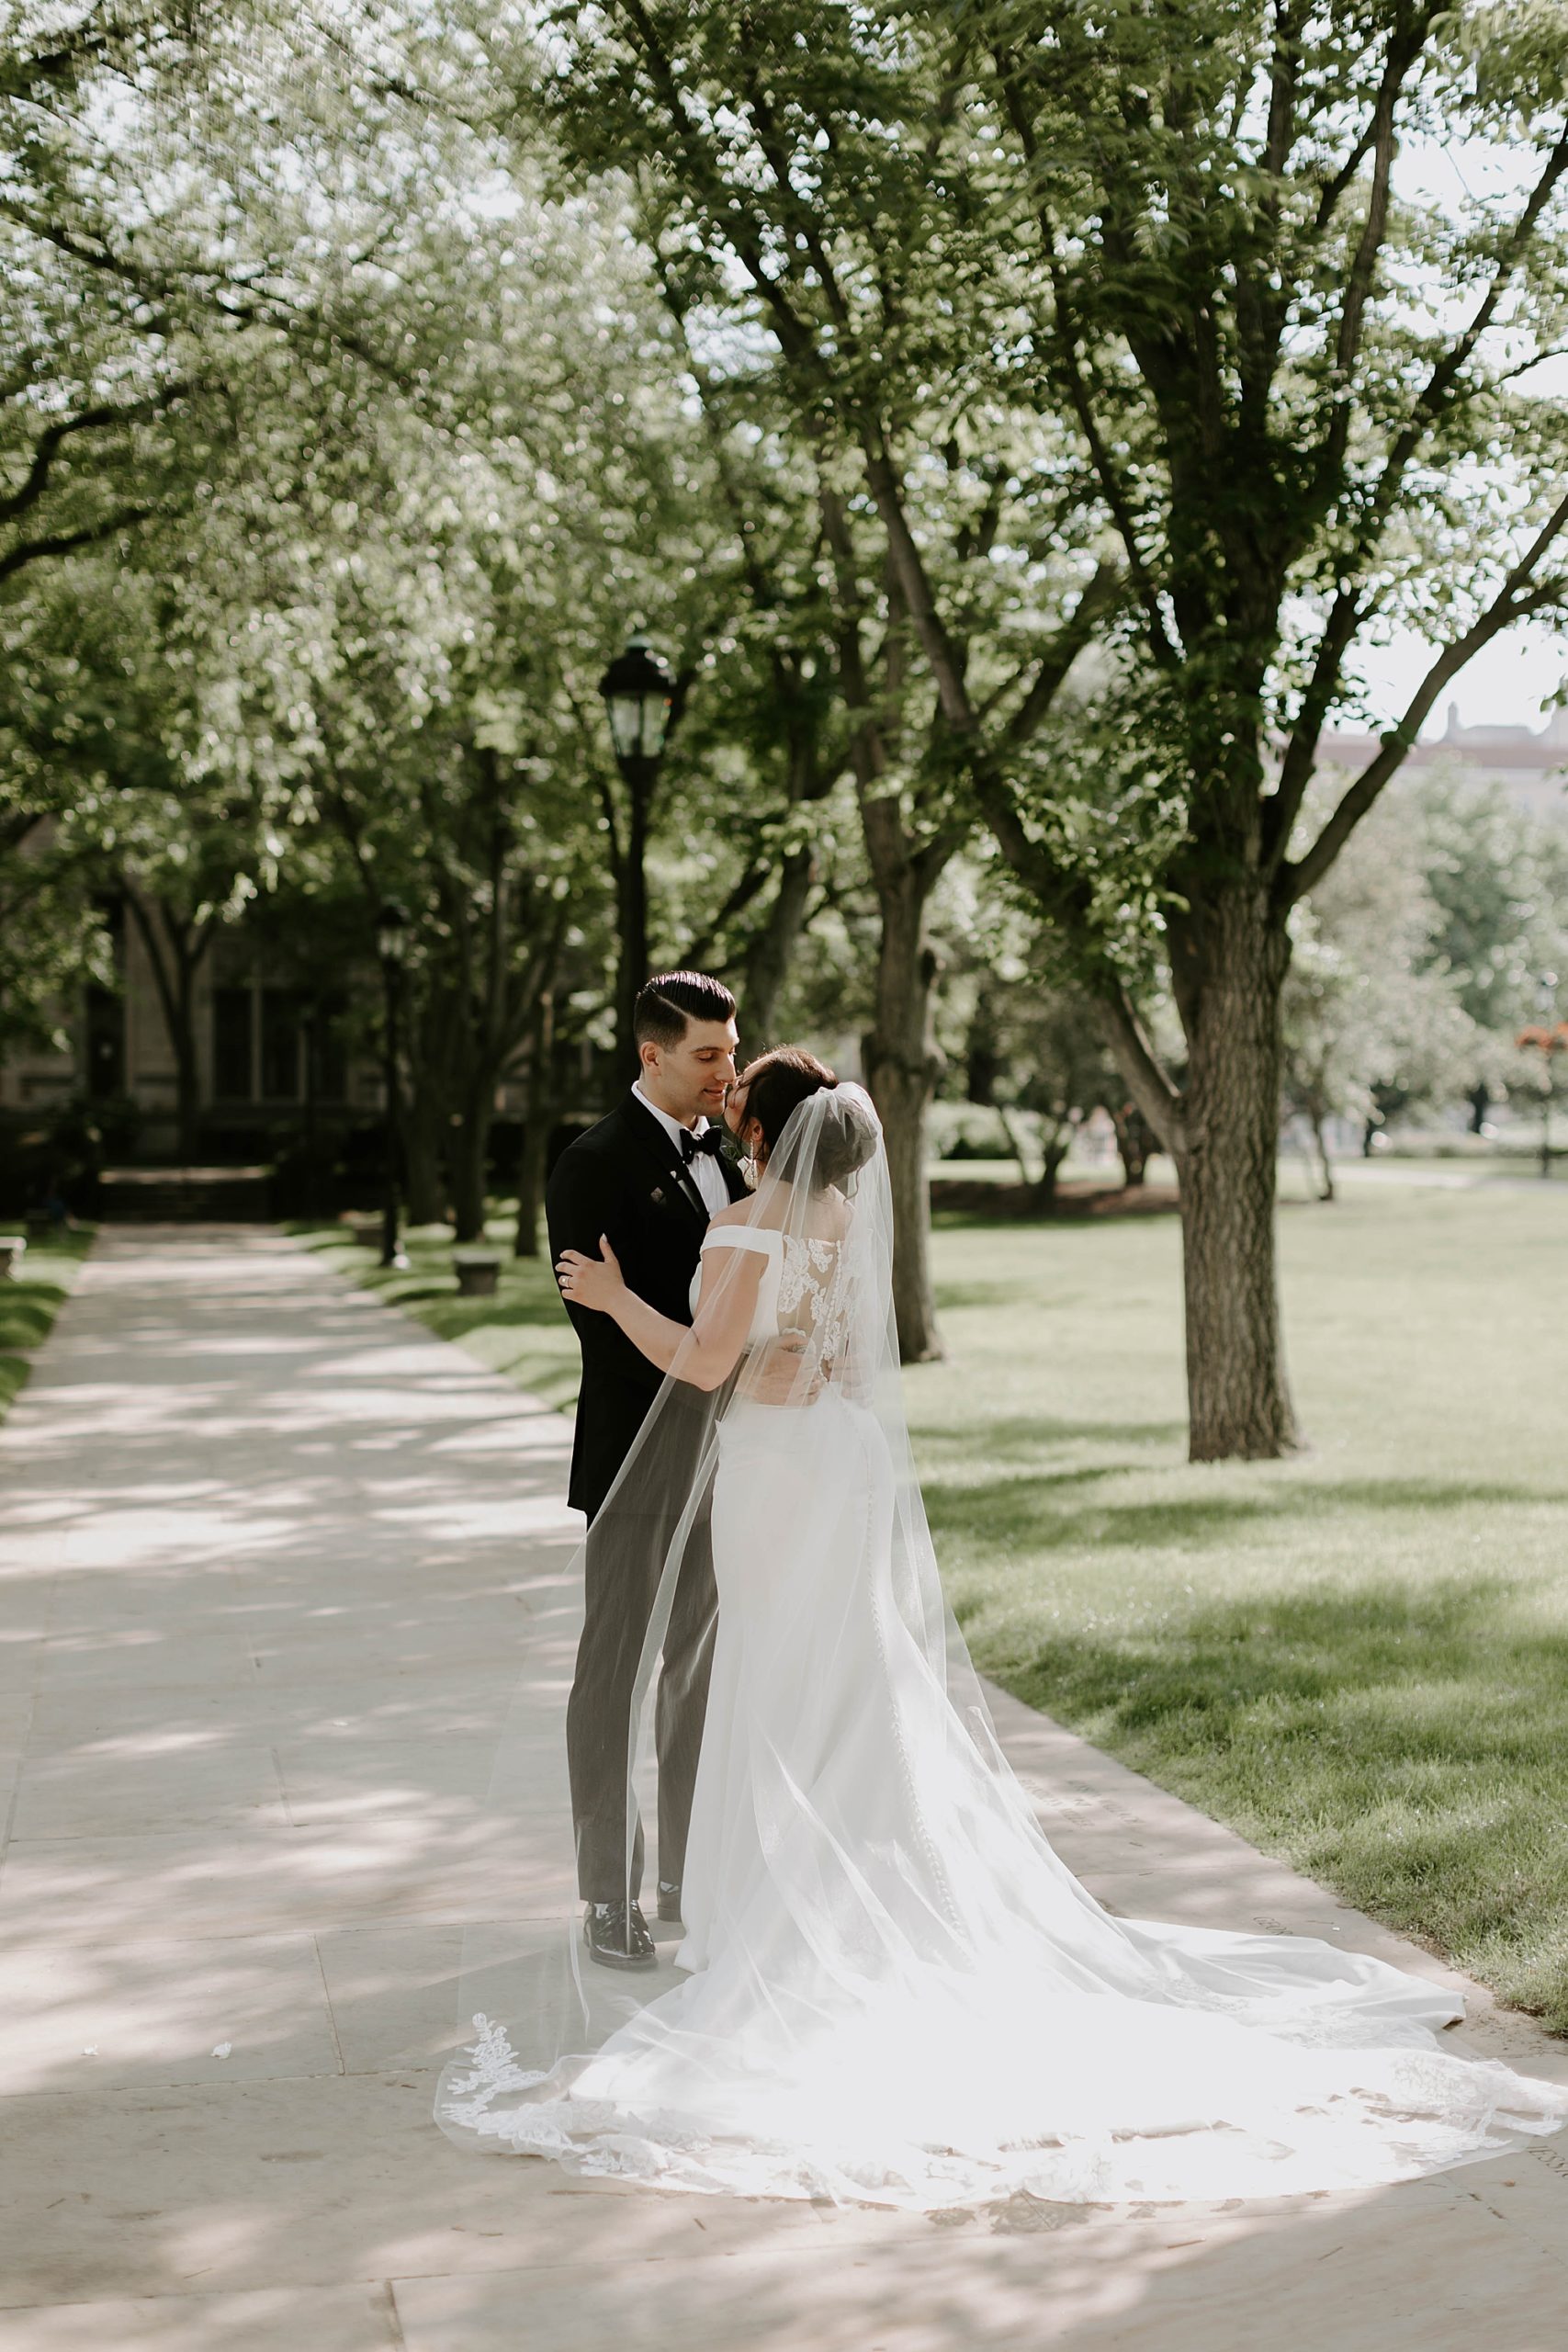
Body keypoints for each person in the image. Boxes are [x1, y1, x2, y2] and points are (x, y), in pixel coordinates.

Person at [441, 1052, 1568, 2210]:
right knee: (849, 1674)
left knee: (774, 1677)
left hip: (774, 1474)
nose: (731, 1116)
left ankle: (772, 1911)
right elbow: (816, 1352)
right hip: (841, 1460)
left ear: (767, 1135)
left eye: (743, 1107)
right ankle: (843, 1881)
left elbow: (708, 1360)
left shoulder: (744, 1224)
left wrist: (620, 1298)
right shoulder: (837, 1220)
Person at [544, 971, 753, 1971]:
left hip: (737, 1451)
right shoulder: (592, 1164)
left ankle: (685, 1874)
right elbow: (599, 1324)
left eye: (730, 1049)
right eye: (707, 1054)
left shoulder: (735, 1156)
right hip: (636, 1451)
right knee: (614, 1674)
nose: (727, 1070)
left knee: (699, 1669)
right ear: (651, 1055)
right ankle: (605, 1893)